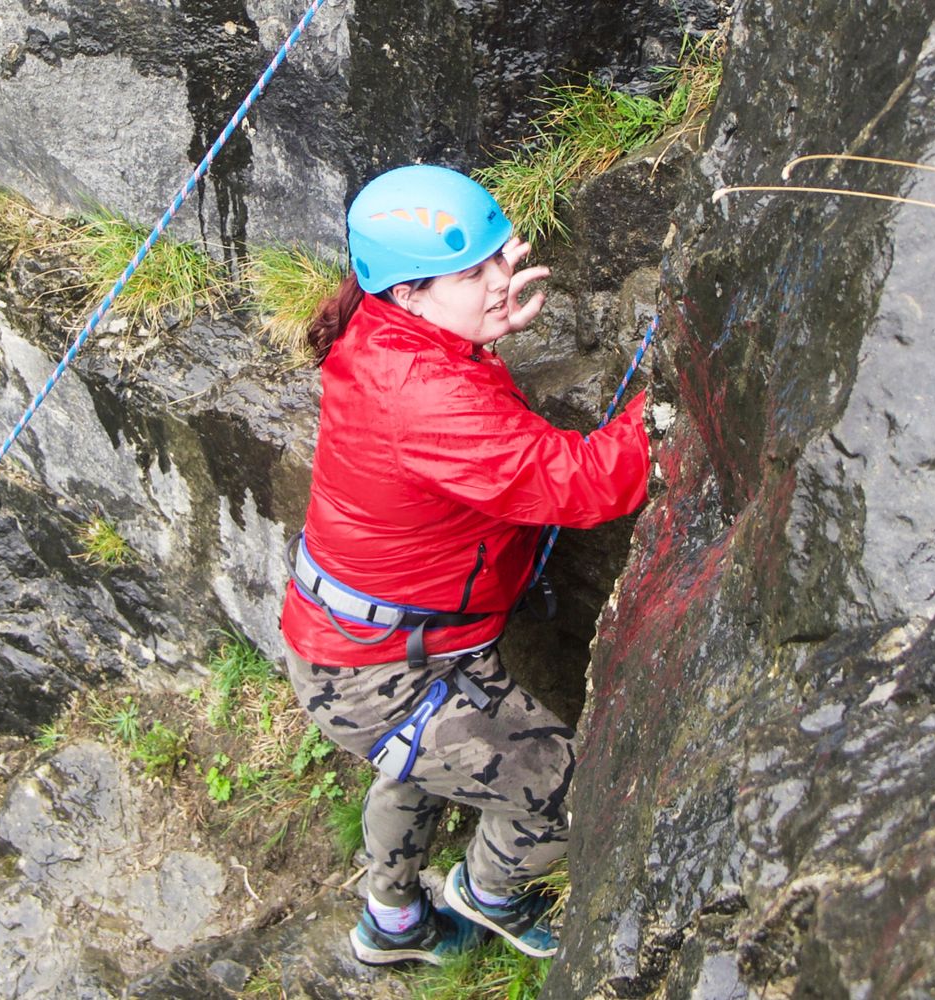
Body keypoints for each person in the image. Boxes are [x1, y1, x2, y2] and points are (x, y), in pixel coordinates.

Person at [279, 164, 652, 966]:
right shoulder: (423, 394)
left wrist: (477, 325)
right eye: (473, 271)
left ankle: (392, 923)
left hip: (365, 639)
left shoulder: (387, 329)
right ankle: (489, 895)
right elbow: (585, 482)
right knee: (563, 789)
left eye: (498, 257)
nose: (500, 280)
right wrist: (662, 415)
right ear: (410, 293)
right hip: (383, 669)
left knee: (411, 765)